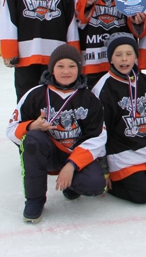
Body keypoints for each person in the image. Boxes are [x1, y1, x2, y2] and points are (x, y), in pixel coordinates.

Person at [6, 44, 107, 223]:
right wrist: (32, 126)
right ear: (52, 68)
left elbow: (97, 137)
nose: (66, 71)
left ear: (79, 69)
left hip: (74, 154)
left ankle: (72, 186)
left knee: (95, 184)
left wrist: (72, 165)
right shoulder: (35, 94)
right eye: (60, 66)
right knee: (32, 140)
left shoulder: (89, 98)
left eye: (71, 66)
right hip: (47, 154)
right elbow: (11, 130)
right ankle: (35, 200)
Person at [92, 33, 146, 204]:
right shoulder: (103, 88)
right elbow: (98, 132)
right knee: (144, 193)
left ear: (136, 57)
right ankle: (115, 185)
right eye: (118, 55)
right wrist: (104, 170)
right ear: (110, 59)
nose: (124, 59)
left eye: (129, 53)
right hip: (120, 154)